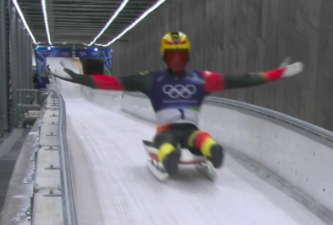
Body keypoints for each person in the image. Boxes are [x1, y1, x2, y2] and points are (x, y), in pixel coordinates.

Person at [47, 32, 303, 176]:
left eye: (180, 55)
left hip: (179, 131)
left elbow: (241, 79)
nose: (178, 60)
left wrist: (276, 74)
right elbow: (114, 82)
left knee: (184, 139)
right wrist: (82, 79)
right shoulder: (185, 79)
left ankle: (190, 151)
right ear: (167, 57)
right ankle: (191, 151)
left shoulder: (174, 79)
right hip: (178, 131)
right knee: (184, 140)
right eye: (174, 55)